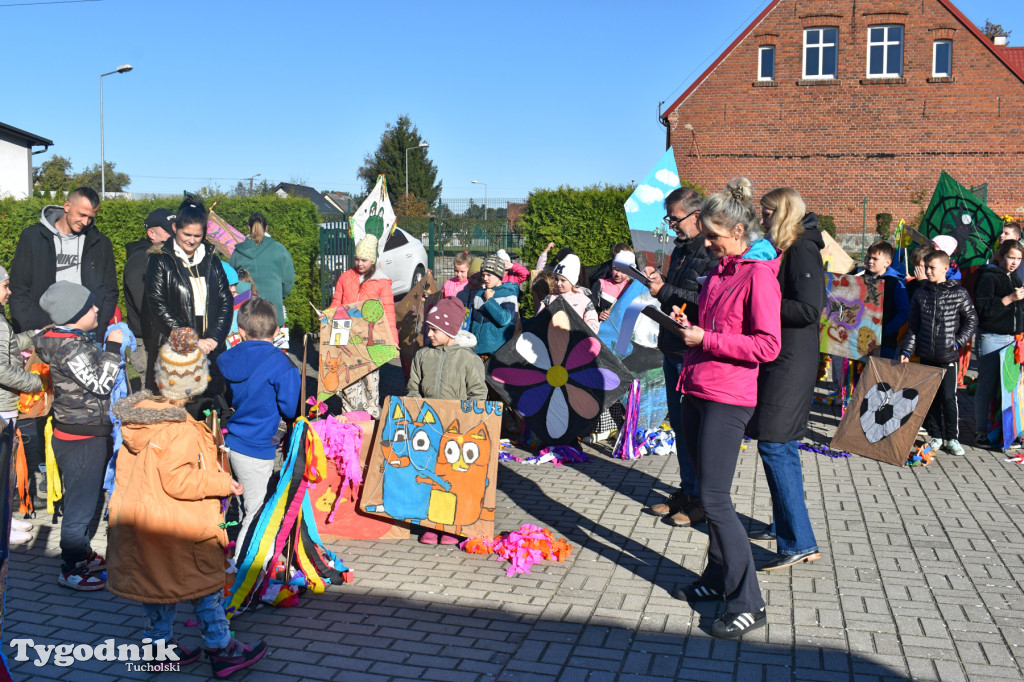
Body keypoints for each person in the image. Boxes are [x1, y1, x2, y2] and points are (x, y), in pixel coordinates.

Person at [108, 327, 267, 677]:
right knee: (206, 589)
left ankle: (157, 647)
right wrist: (222, 482)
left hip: (146, 524)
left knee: (158, 590)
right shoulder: (177, 429)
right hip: (180, 526)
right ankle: (221, 648)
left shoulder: (141, 419)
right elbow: (179, 480)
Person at [672, 178, 781, 639]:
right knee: (710, 495)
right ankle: (717, 579)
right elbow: (712, 326)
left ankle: (748, 602)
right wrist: (688, 326)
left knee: (714, 499)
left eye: (714, 234)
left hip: (729, 396)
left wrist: (707, 339)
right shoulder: (720, 271)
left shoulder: (758, 274)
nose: (707, 241)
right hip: (697, 386)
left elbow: (768, 344)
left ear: (738, 230)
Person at [745, 187, 825, 572]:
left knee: (775, 445)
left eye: (765, 213)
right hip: (780, 357)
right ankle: (783, 526)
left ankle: (799, 541)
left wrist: (760, 302)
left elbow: (809, 308)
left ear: (782, 213)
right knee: (780, 444)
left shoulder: (802, 249)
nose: (761, 219)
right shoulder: (786, 247)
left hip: (792, 360)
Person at [34, 281, 124, 590]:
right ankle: (71, 567)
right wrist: (112, 346)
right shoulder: (71, 347)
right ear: (74, 315)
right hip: (81, 437)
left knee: (85, 498)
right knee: (80, 506)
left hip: (81, 432)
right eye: (90, 307)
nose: (97, 309)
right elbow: (100, 384)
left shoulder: (69, 340)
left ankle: (82, 552)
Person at [645, 187, 717, 527]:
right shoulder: (683, 249)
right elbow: (678, 297)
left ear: (697, 216)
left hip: (691, 351)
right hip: (672, 346)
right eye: (669, 219)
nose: (672, 225)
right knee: (679, 426)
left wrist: (666, 291)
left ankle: (702, 499)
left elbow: (706, 300)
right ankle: (688, 490)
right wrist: (660, 285)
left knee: (693, 429)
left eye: (676, 219)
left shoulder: (709, 250)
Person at [217, 298, 300, 558]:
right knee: (256, 516)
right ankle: (245, 578)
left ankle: (238, 563)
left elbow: (226, 398)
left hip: (230, 441)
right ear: (276, 332)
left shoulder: (226, 359)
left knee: (245, 507)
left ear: (240, 331)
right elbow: (289, 408)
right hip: (258, 447)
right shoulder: (282, 365)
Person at [406, 297, 488, 545]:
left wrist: (469, 420)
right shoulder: (422, 356)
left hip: (457, 432)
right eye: (428, 328)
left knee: (453, 480)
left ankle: (451, 526)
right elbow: (413, 389)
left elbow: (478, 394)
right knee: (430, 476)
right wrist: (415, 411)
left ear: (450, 330)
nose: (428, 333)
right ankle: (431, 523)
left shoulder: (468, 359)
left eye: (434, 329)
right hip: (430, 428)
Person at [143, 199, 233, 408]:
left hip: (210, 350)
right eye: (186, 235)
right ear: (175, 229)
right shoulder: (160, 260)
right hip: (176, 351)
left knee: (208, 409)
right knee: (176, 410)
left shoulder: (213, 260)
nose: (192, 241)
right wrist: (191, 341)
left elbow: (225, 300)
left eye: (197, 236)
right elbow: (158, 305)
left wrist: (215, 338)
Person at [9, 186, 117, 337]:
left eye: (91, 217)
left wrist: (100, 329)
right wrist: (27, 331)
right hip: (42, 333)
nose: (86, 222)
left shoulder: (101, 243)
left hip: (88, 335)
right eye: (81, 214)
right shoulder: (32, 237)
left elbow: (110, 291)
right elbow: (19, 289)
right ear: (67, 206)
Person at [900, 250, 977, 456]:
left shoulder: (959, 293)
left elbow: (971, 320)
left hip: (948, 356)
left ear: (945, 268)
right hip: (926, 355)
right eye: (926, 267)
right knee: (930, 397)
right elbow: (914, 326)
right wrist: (907, 349)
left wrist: (958, 342)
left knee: (948, 397)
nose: (928, 271)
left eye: (932, 267)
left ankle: (952, 437)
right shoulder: (921, 293)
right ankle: (936, 435)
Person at [329, 234, 398, 417]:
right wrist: (327, 316)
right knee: (348, 378)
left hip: (371, 340)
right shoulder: (345, 277)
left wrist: (393, 340)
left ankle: (371, 414)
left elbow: (389, 313)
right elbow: (337, 302)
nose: (359, 263)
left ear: (373, 260)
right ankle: (349, 413)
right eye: (357, 259)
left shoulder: (381, 282)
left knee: (370, 378)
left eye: (364, 260)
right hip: (347, 337)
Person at [0, 265, 43, 545]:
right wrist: (35, 383)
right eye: (4, 286)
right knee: (3, 469)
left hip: (6, 405)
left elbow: (12, 344)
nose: (9, 291)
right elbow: (2, 369)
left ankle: (4, 519)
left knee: (6, 472)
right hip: (2, 406)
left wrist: (37, 334)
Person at [973, 240, 1024, 447]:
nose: (1014, 262)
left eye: (1019, 259)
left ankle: (1009, 431)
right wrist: (1009, 298)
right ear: (1000, 256)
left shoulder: (1015, 277)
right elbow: (983, 309)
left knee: (1009, 387)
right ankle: (980, 431)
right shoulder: (988, 276)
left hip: (1013, 339)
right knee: (987, 385)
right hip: (992, 338)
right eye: (1011, 257)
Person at [123, 208, 175, 373]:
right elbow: (146, 305)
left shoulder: (166, 256)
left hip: (165, 337)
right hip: (148, 342)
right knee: (154, 395)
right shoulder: (141, 261)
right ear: (151, 234)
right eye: (169, 232)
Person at [228, 212, 295, 329]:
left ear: (248, 228)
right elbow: (288, 280)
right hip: (273, 311)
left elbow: (229, 281)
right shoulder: (279, 249)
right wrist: (279, 296)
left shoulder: (238, 252)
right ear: (266, 228)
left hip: (245, 312)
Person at [863, 241, 910, 359]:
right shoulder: (859, 279)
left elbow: (904, 311)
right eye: (868, 257)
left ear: (887, 262)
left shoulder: (895, 283)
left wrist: (886, 330)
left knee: (879, 374)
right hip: (859, 339)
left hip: (885, 342)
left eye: (875, 259)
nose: (870, 261)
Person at [469, 255, 520, 356]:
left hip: (497, 352)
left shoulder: (509, 294)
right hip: (476, 349)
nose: (485, 278)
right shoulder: (479, 294)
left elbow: (504, 319)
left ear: (499, 275)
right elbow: (474, 320)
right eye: (483, 275)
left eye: (489, 275)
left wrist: (489, 300)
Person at [537, 254, 599, 333]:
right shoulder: (548, 299)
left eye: (563, 280)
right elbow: (539, 321)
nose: (558, 283)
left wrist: (580, 332)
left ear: (572, 281)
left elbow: (593, 324)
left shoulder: (584, 300)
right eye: (556, 279)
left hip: (577, 342)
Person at [590, 244, 635, 321]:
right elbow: (591, 306)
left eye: (623, 271)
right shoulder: (601, 284)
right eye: (616, 269)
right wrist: (599, 314)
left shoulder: (632, 287)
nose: (618, 274)